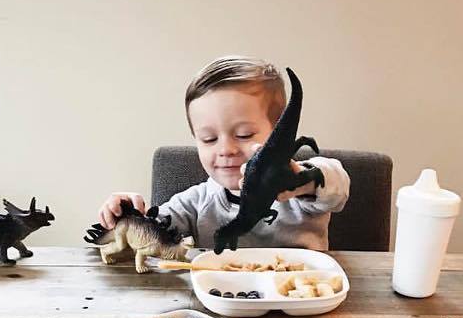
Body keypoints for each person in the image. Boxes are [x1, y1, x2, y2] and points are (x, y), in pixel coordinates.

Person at [98, 56, 350, 250]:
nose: (226, 149)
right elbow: (153, 232)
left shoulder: (303, 194)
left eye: (244, 135)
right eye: (209, 139)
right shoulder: (195, 203)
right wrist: (127, 216)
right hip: (217, 305)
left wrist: (302, 183)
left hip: (304, 306)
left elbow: (337, 187)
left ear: (277, 132)